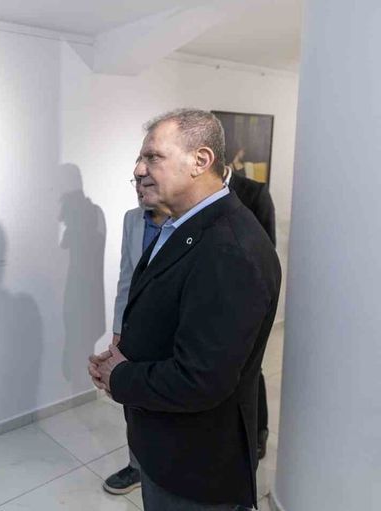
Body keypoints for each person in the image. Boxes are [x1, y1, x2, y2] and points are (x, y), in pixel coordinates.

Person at [89, 109, 280, 510]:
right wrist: (125, 355)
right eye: (139, 159)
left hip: (196, 470)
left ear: (201, 160)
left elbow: (200, 379)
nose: (138, 170)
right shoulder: (183, 227)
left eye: (153, 157)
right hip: (167, 448)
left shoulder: (230, 249)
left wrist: (120, 376)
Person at [102, 178, 167, 496]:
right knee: (133, 402)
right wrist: (118, 331)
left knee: (166, 403)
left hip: (171, 332)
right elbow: (126, 279)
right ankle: (137, 466)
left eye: (147, 180)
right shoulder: (132, 219)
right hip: (135, 330)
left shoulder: (186, 221)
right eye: (136, 181)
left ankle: (163, 470)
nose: (140, 187)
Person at [225, 165, 277, 459]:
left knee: (252, 369)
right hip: (216, 299)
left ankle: (259, 431)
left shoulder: (255, 193)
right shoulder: (200, 196)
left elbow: (267, 251)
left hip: (247, 299)